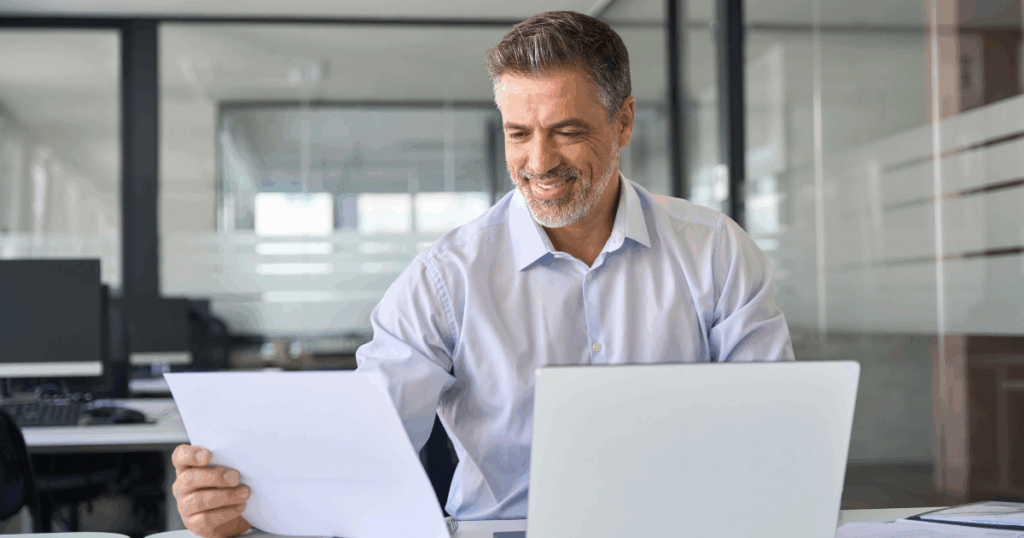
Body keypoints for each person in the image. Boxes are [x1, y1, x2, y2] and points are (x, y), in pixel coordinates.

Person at [171, 10, 795, 538]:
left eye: (567, 131)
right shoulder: (448, 276)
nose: (538, 161)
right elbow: (364, 442)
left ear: (623, 122)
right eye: (518, 133)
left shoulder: (713, 251)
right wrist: (243, 504)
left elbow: (777, 430)